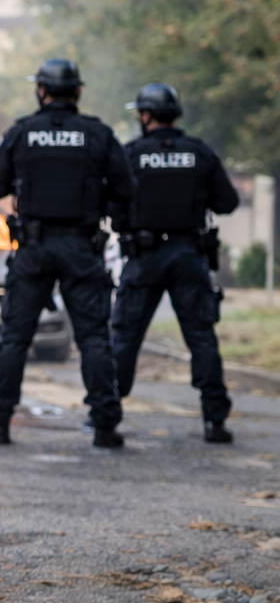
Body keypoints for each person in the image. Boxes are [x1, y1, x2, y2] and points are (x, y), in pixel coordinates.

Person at [0, 59, 137, 448]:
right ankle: (106, 426)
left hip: (32, 249)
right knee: (94, 338)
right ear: (77, 91)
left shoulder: (22, 132)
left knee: (14, 338)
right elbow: (127, 189)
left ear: (40, 91)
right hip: (81, 247)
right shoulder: (98, 134)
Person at [110, 83, 240, 443]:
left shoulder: (132, 154)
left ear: (145, 115)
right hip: (188, 255)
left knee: (124, 337)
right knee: (201, 337)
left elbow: (110, 205)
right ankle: (215, 420)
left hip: (144, 257)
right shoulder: (199, 152)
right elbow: (226, 202)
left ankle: (107, 417)